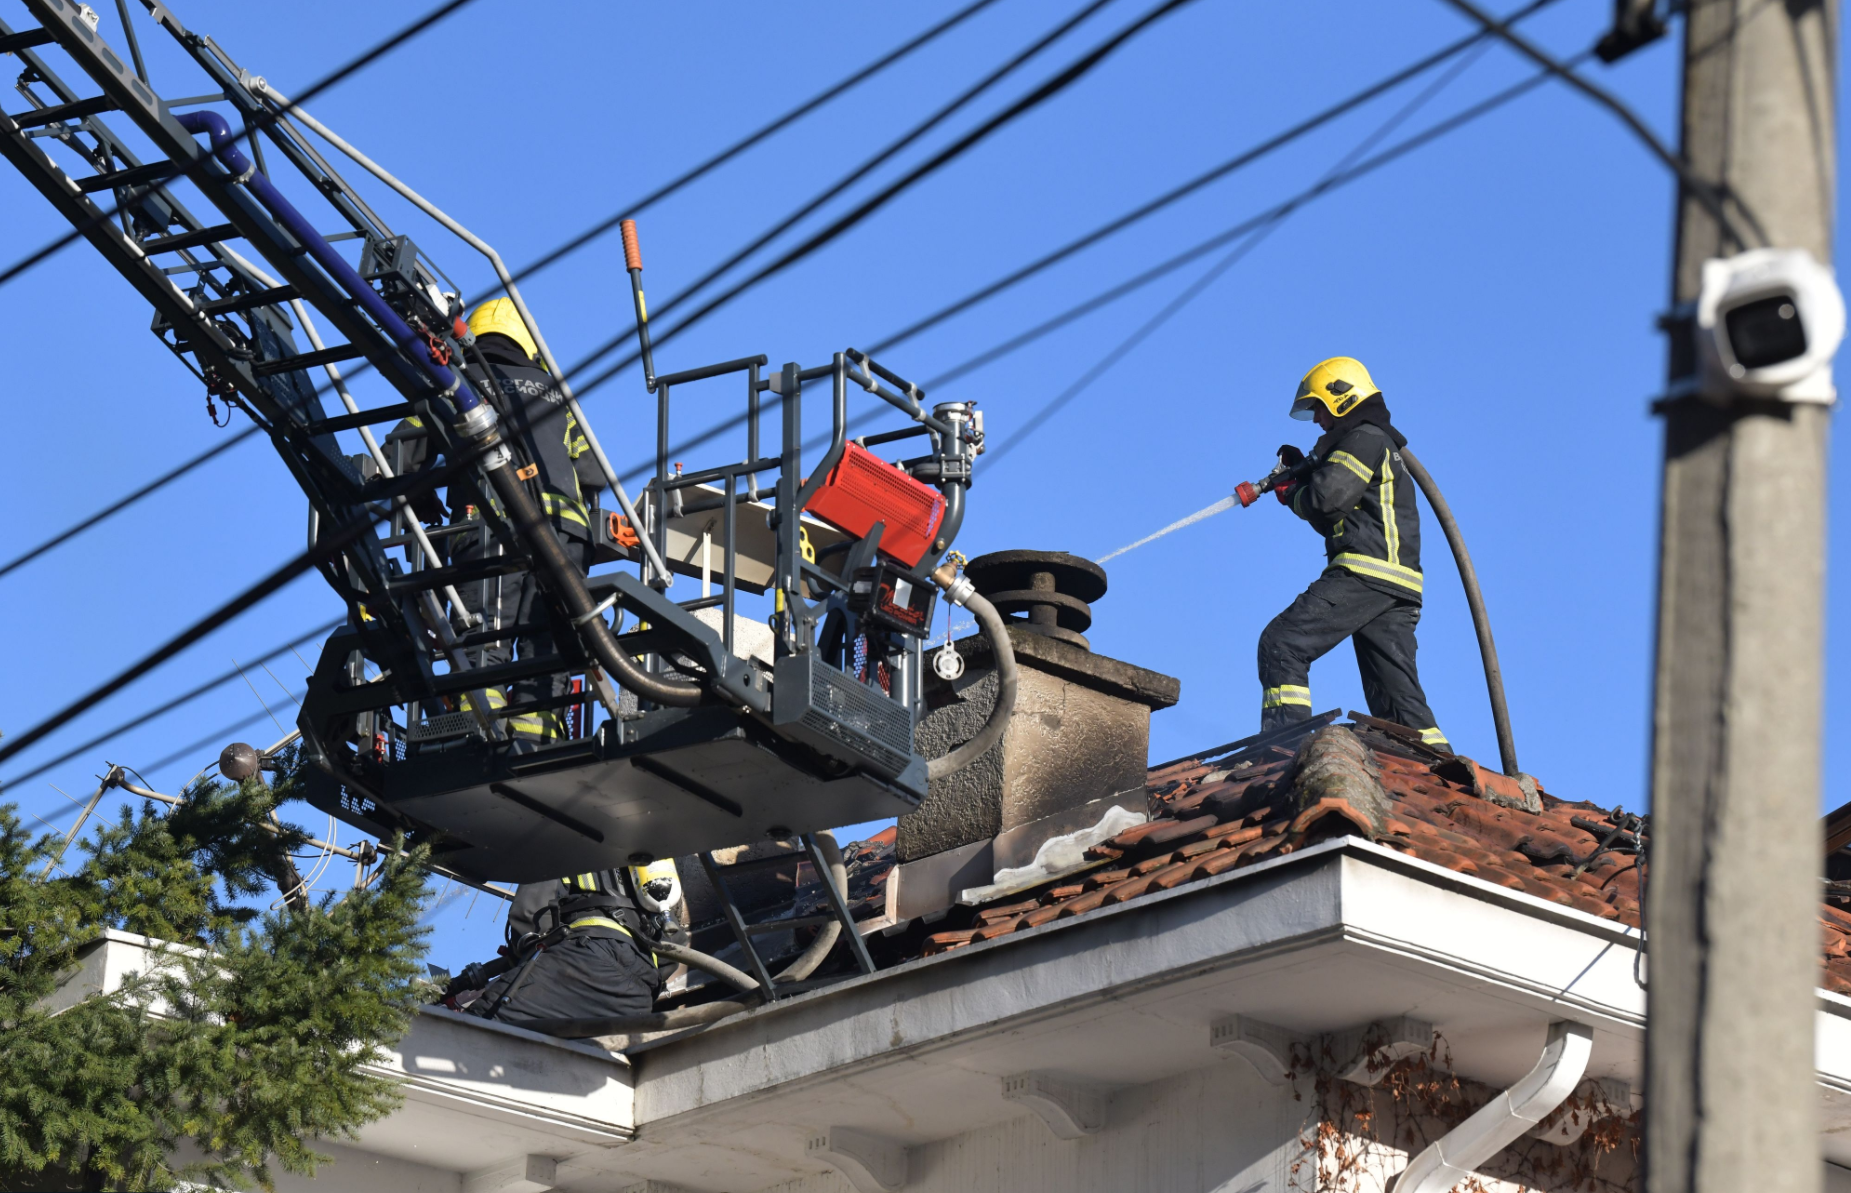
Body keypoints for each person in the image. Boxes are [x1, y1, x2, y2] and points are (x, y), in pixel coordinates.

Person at [385, 298, 606, 746]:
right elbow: (591, 474)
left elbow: (399, 456)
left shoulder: (454, 383)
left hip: (489, 530)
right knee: (548, 640)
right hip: (566, 536)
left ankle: (479, 734)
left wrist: (422, 496)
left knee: (483, 638)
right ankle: (539, 735)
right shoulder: (556, 392)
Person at [1257, 356, 1449, 750]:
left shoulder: (1363, 437)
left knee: (1282, 644)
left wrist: (1292, 492)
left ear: (1342, 399)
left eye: (1320, 410)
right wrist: (1305, 481)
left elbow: (1325, 501)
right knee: (1398, 703)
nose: (1318, 422)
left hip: (1367, 572)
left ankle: (1281, 751)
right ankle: (1441, 770)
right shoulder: (1375, 442)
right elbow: (1333, 514)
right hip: (1397, 583)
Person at [459, 863, 682, 1030]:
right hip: (639, 998)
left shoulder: (566, 841)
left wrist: (526, 948)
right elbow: (675, 945)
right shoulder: (655, 871)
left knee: (479, 1025)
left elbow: (531, 917)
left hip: (584, 960)